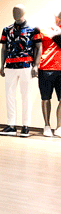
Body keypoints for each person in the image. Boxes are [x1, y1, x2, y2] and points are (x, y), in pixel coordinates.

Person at [0, 4, 41, 137]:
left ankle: (25, 125)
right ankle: (11, 125)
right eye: (13, 11)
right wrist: (2, 65)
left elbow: (39, 47)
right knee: (9, 95)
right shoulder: (6, 29)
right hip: (10, 66)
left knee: (26, 95)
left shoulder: (33, 29)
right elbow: (4, 48)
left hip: (26, 66)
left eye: (18, 11)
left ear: (23, 13)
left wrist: (36, 65)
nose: (15, 13)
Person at [38, 8, 61, 137]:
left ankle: (59, 127)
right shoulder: (43, 29)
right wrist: (34, 65)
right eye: (56, 16)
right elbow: (37, 48)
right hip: (45, 68)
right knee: (46, 98)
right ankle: (47, 125)